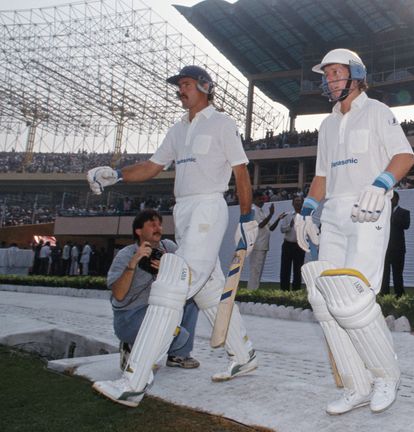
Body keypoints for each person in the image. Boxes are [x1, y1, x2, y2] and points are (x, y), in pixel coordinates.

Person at [86, 65, 260, 407]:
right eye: (178, 85)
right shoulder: (177, 130)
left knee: (172, 285)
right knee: (208, 288)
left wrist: (247, 217)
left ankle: (134, 380)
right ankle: (244, 354)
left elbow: (240, 172)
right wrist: (116, 175)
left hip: (209, 208)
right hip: (184, 211)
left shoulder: (222, 124)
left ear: (205, 87)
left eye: (186, 84)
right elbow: (152, 166)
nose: (180, 90)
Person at [293, 48, 414, 415]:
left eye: (336, 73)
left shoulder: (377, 112)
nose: (330, 80)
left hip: (369, 208)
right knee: (324, 299)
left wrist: (380, 184)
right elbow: (322, 176)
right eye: (326, 74)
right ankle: (356, 384)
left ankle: (385, 376)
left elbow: (404, 156)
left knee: (354, 298)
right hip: (333, 212)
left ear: (356, 74)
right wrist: (307, 212)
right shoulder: (327, 124)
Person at [108, 210, 200, 371]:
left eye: (159, 224)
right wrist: (133, 263)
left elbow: (187, 278)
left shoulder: (169, 248)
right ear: (138, 231)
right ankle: (132, 345)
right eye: (152, 225)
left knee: (192, 300)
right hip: (131, 317)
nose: (158, 228)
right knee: (178, 335)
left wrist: (168, 268)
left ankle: (178, 354)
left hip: (161, 308)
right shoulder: (126, 254)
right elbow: (119, 294)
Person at [381, 190, 410, 297]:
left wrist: (393, 218)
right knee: (385, 274)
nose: (390, 201)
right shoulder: (383, 213)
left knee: (398, 274)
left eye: (392, 198)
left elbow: (406, 225)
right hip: (386, 249)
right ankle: (385, 295)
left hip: (398, 249)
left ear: (397, 199)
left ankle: (400, 295)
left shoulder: (404, 212)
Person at [247, 194, 275, 290]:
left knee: (258, 270)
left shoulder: (261, 210)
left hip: (262, 245)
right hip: (257, 244)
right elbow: (261, 225)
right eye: (260, 199)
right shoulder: (253, 210)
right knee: (255, 269)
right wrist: (271, 214)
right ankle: (251, 291)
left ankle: (254, 290)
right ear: (254, 199)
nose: (262, 201)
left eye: (263, 199)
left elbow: (270, 227)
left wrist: (278, 218)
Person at [278, 196, 305, 291]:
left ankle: (296, 291)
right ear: (292, 203)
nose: (298, 203)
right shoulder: (287, 215)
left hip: (300, 246)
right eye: (296, 201)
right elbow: (282, 229)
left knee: (298, 270)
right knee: (285, 269)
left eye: (299, 201)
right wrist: (290, 226)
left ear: (302, 203)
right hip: (288, 245)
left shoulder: (306, 216)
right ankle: (284, 290)